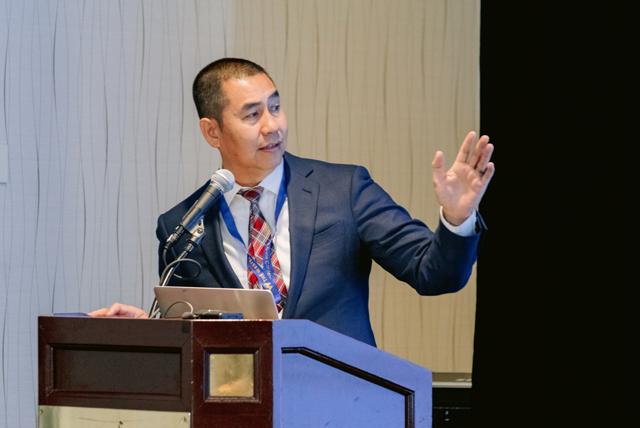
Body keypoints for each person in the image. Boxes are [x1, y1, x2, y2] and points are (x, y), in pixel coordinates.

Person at [91, 57, 494, 346]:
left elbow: (434, 275)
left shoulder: (344, 189)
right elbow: (193, 334)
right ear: (212, 132)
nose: (273, 126)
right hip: (241, 417)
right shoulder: (183, 224)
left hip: (343, 405)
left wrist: (457, 218)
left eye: (276, 107)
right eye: (252, 115)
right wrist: (150, 330)